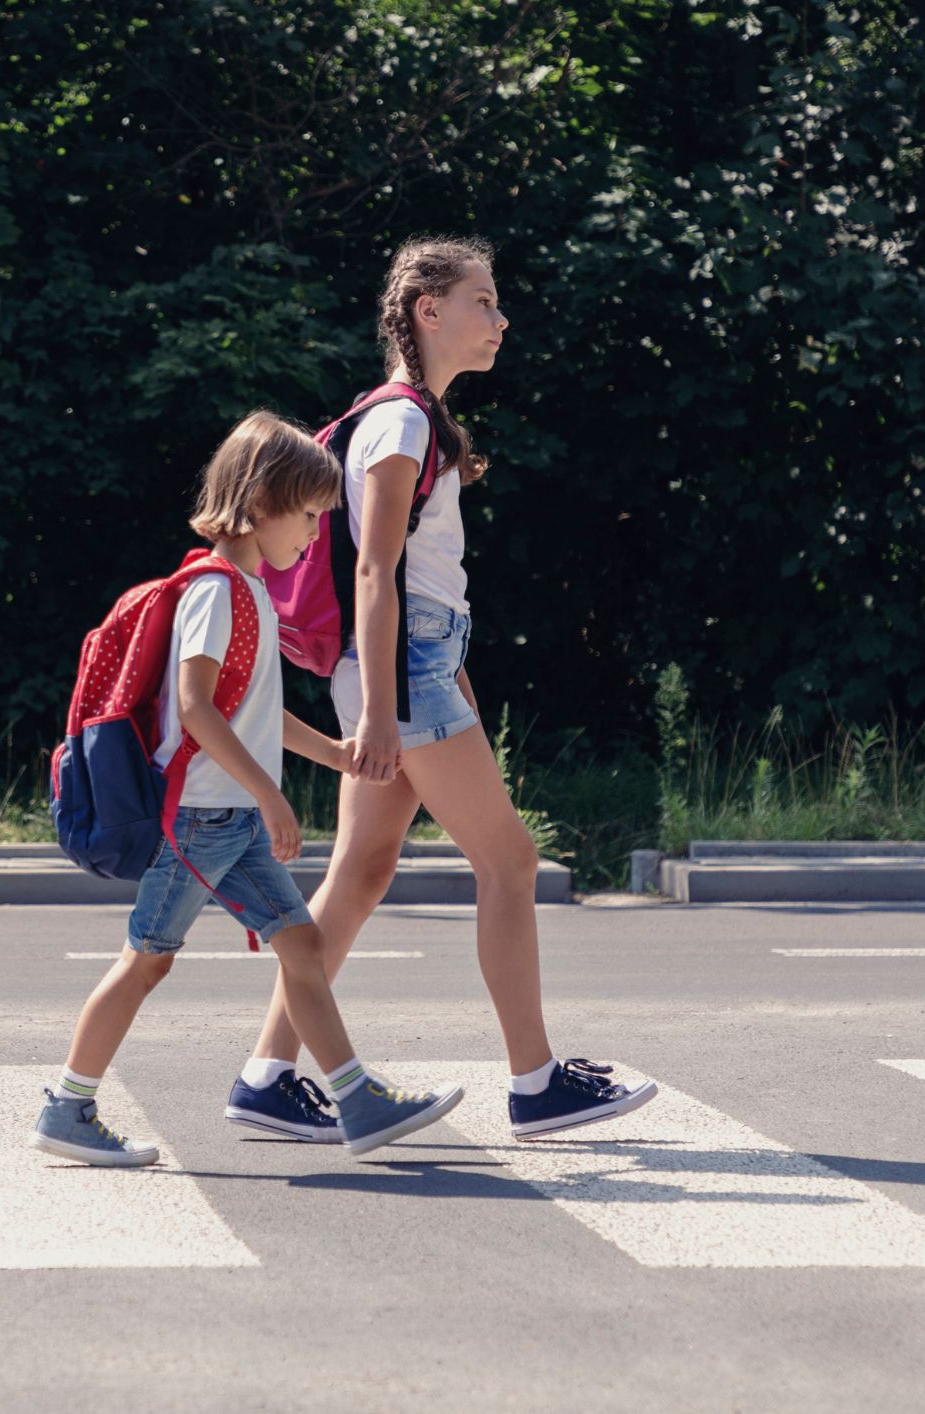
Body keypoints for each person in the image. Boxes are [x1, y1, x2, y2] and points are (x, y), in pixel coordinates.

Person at [230, 238, 657, 1143]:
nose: (499, 320)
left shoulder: (411, 422)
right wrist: (388, 710)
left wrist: (434, 680)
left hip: (413, 664)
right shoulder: (401, 425)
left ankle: (266, 1075)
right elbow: (375, 575)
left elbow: (415, 582)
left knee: (360, 871)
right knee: (508, 865)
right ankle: (536, 1083)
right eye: (482, 301)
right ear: (428, 310)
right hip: (399, 669)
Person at [32, 411, 465, 1167]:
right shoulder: (214, 589)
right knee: (147, 961)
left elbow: (253, 711)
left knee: (301, 944)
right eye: (305, 518)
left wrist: (333, 753)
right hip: (201, 819)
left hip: (223, 818)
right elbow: (197, 707)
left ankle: (355, 1100)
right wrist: (270, 796)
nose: (310, 538)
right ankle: (68, 1106)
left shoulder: (250, 593)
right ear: (259, 503)